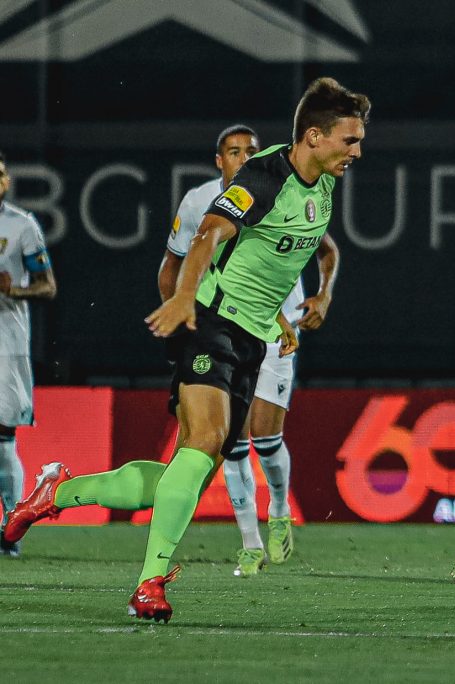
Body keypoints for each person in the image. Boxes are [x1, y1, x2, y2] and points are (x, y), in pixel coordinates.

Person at [2, 77, 369, 622]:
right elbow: (212, 234)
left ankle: (59, 491)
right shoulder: (265, 176)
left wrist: (276, 316)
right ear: (314, 137)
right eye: (350, 140)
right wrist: (182, 302)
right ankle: (149, 585)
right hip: (211, 322)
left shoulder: (323, 182)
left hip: (252, 335)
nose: (357, 152)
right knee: (202, 444)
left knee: (189, 473)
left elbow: (270, 254)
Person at [159, 125, 339, 578]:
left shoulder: (282, 184)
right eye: (233, 151)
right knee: (229, 442)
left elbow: (326, 249)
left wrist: (322, 295)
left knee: (265, 435)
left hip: (276, 326)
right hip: (222, 324)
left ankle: (278, 507)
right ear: (219, 160)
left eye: (251, 150)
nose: (244, 157)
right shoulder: (200, 202)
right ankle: (249, 542)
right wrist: (180, 312)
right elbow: (175, 262)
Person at [0, 151, 57, 558]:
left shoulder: (21, 225)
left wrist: (12, 291)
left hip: (7, 342)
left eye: (1, 174)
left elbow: (47, 286)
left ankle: (9, 526)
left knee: (3, 437)